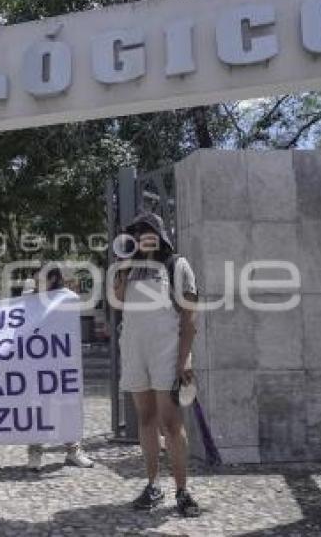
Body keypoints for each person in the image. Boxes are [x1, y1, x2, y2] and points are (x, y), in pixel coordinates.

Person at [114, 212, 201, 517]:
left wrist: (183, 359)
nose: (141, 236)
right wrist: (122, 267)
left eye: (147, 230)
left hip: (167, 352)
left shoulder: (176, 264)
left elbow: (190, 317)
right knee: (146, 418)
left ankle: (182, 491)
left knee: (171, 423)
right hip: (136, 351)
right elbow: (118, 300)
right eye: (136, 232)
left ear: (160, 234)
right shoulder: (129, 268)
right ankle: (153, 485)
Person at [25, 267, 94, 472]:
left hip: (62, 363)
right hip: (37, 362)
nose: (37, 284)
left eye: (41, 280)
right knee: (38, 408)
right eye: (35, 280)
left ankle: (73, 450)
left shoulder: (67, 298)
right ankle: (35, 453)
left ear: (54, 278)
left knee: (67, 406)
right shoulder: (29, 300)